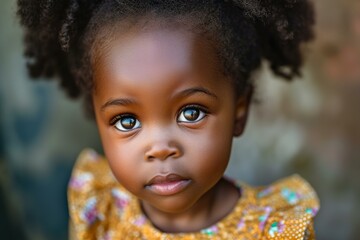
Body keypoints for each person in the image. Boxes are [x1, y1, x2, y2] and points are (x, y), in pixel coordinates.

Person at [17, 0, 319, 239]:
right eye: (126, 121)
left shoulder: (274, 232)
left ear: (240, 110)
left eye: (191, 113)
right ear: (97, 118)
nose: (160, 148)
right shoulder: (100, 205)